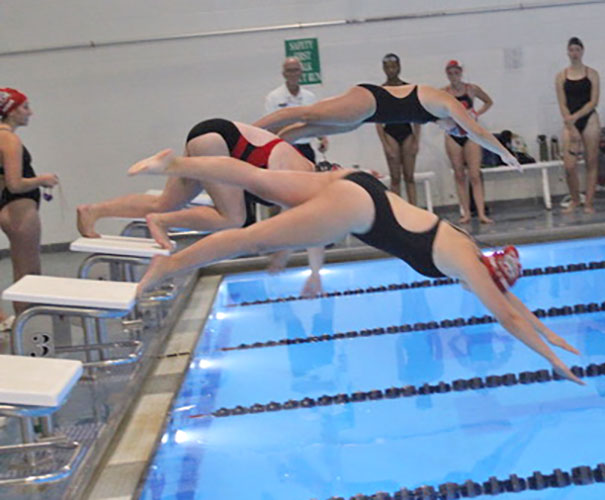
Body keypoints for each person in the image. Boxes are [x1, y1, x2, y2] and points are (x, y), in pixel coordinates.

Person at [129, 149, 582, 384]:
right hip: (358, 208)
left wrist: (551, 333)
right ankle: (166, 266)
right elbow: (506, 315)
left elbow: (511, 307)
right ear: (492, 277)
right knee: (253, 237)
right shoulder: (468, 265)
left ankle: (170, 164)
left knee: (257, 178)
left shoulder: (471, 254)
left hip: (358, 185)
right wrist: (552, 359)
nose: (485, 292)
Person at [76, 119, 325, 295]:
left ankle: (94, 211)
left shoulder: (306, 179)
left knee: (165, 202)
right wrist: (286, 259)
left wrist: (310, 269)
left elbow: (310, 227)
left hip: (211, 135)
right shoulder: (300, 174)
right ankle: (163, 222)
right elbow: (295, 225)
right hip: (216, 141)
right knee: (233, 219)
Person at [252, 78, 520, 170]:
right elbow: (477, 131)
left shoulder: (435, 115)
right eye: (455, 128)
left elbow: (470, 130)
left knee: (310, 130)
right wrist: (505, 153)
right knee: (307, 114)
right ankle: (252, 132)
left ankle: (267, 148)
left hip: (366, 116)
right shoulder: (446, 103)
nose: (452, 130)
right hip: (369, 101)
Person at [0, 88, 58, 319]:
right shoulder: (10, 139)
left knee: (20, 270)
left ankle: (13, 324)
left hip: (6, 207)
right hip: (20, 208)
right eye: (24, 107)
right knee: (29, 274)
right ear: (11, 112)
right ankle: (30, 329)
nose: (30, 113)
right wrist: (43, 180)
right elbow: (15, 184)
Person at [442, 60, 494, 224]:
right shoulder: (443, 93)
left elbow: (488, 101)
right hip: (453, 135)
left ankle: (481, 213)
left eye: (456, 73)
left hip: (470, 135)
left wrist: (477, 113)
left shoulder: (471, 89)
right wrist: (443, 120)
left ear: (461, 73)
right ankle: (466, 213)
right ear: (447, 75)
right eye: (450, 74)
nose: (454, 77)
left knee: (475, 175)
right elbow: (431, 109)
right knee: (459, 175)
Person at [555, 37, 601, 214]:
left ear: (582, 51)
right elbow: (562, 103)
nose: (574, 53)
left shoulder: (592, 74)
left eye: (577, 50)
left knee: (591, 161)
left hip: (589, 118)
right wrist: (570, 122)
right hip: (570, 120)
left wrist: (576, 117)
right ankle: (575, 199)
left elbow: (593, 101)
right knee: (569, 165)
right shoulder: (561, 77)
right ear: (568, 52)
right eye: (571, 50)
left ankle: (589, 202)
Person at [371, 54, 422, 205]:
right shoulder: (380, 91)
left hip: (407, 132)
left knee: (409, 176)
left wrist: (416, 140)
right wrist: (385, 144)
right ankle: (398, 211)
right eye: (388, 67)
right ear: (383, 69)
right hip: (390, 133)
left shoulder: (409, 88)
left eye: (393, 67)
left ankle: (414, 209)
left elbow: (416, 117)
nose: (391, 70)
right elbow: (377, 121)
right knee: (395, 178)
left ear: (399, 67)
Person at [264, 57, 328, 162]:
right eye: (289, 70)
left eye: (295, 70)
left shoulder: (310, 97)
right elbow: (270, 127)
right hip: (284, 148)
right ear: (284, 74)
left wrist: (322, 138)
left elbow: (316, 121)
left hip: (305, 149)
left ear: (301, 73)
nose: (293, 74)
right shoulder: (273, 97)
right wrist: (298, 126)